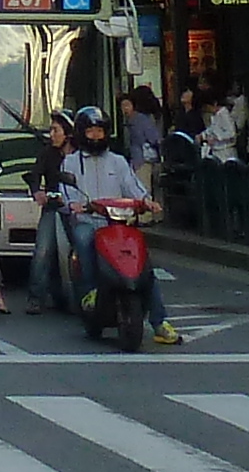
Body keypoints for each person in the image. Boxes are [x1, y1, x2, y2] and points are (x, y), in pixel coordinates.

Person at [65, 114, 184, 345]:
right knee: (83, 238)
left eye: (100, 131)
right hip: (89, 222)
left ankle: (160, 322)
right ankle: (90, 293)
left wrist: (146, 201)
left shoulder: (118, 161)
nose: (96, 136)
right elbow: (67, 192)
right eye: (91, 131)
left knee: (143, 264)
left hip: (118, 224)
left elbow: (133, 186)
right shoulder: (70, 162)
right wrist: (74, 205)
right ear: (81, 133)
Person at [26, 118, 79, 312]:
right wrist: (37, 192)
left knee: (83, 248)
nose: (52, 135)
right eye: (51, 131)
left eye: (56, 131)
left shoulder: (81, 155)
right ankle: (35, 297)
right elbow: (35, 175)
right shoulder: (47, 153)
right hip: (52, 206)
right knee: (43, 250)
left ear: (69, 134)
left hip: (77, 208)